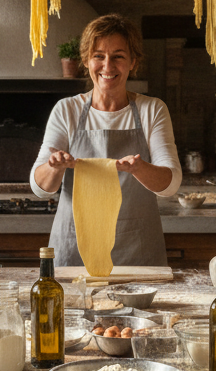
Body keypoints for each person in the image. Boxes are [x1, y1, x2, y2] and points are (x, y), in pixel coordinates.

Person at [31, 14, 182, 267]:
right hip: (74, 248)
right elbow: (39, 187)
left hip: (136, 249)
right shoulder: (67, 110)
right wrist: (54, 166)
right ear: (86, 61)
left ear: (133, 62)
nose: (107, 66)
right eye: (98, 56)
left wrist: (138, 168)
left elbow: (171, 183)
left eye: (118, 56)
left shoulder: (152, 110)